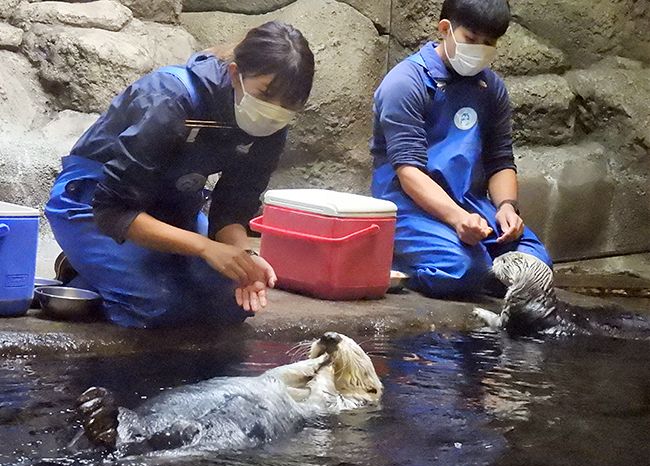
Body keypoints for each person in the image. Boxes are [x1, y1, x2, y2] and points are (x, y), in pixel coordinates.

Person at [45, 21, 315, 328]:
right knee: (159, 306)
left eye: (289, 104)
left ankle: (103, 268)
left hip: (173, 207)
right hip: (94, 205)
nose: (274, 111)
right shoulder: (171, 97)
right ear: (234, 73)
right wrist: (205, 247)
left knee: (229, 304)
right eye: (265, 94)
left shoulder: (271, 127)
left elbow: (231, 210)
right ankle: (83, 271)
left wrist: (244, 257)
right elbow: (112, 210)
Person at [371, 0, 551, 298]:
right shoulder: (405, 83)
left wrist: (506, 207)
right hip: (408, 208)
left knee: (535, 266)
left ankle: (478, 265)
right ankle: (401, 263)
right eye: (471, 39)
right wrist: (457, 219)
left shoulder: (491, 89)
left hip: (471, 205)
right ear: (445, 29)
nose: (479, 48)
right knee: (463, 269)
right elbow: (408, 172)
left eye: (489, 42)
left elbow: (500, 160)